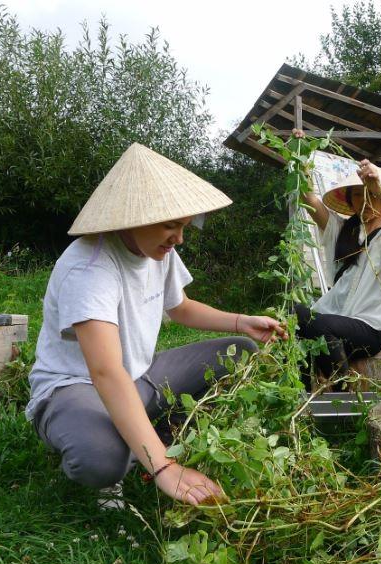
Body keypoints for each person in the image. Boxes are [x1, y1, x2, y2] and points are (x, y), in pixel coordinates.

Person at [27, 143, 286, 506]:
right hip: (77, 388)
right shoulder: (90, 268)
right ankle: (133, 449)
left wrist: (243, 322)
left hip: (139, 377)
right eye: (170, 225)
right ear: (134, 218)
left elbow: (179, 307)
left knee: (239, 352)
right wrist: (163, 467)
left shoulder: (157, 251)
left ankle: (144, 437)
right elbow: (104, 372)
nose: (178, 238)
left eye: (182, 226)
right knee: (101, 460)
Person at [292, 129, 381, 391]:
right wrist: (301, 157)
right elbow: (308, 198)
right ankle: (300, 395)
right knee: (294, 316)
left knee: (318, 325)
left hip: (369, 330)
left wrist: (378, 189)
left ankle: (342, 388)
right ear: (351, 200)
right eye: (359, 194)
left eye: (371, 194)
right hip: (334, 321)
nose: (366, 199)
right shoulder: (342, 230)